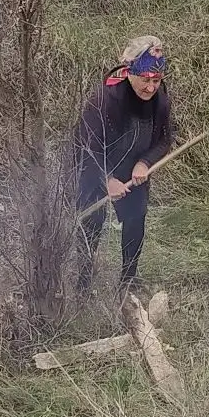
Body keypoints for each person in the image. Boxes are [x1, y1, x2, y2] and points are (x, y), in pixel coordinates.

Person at [75, 34, 175, 295]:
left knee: (135, 218)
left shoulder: (160, 100)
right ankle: (83, 280)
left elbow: (165, 139)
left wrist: (145, 162)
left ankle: (128, 280)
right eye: (145, 80)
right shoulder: (105, 99)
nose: (151, 88)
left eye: (156, 80)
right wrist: (107, 180)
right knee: (91, 222)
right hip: (94, 167)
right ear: (131, 73)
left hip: (133, 169)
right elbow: (87, 147)